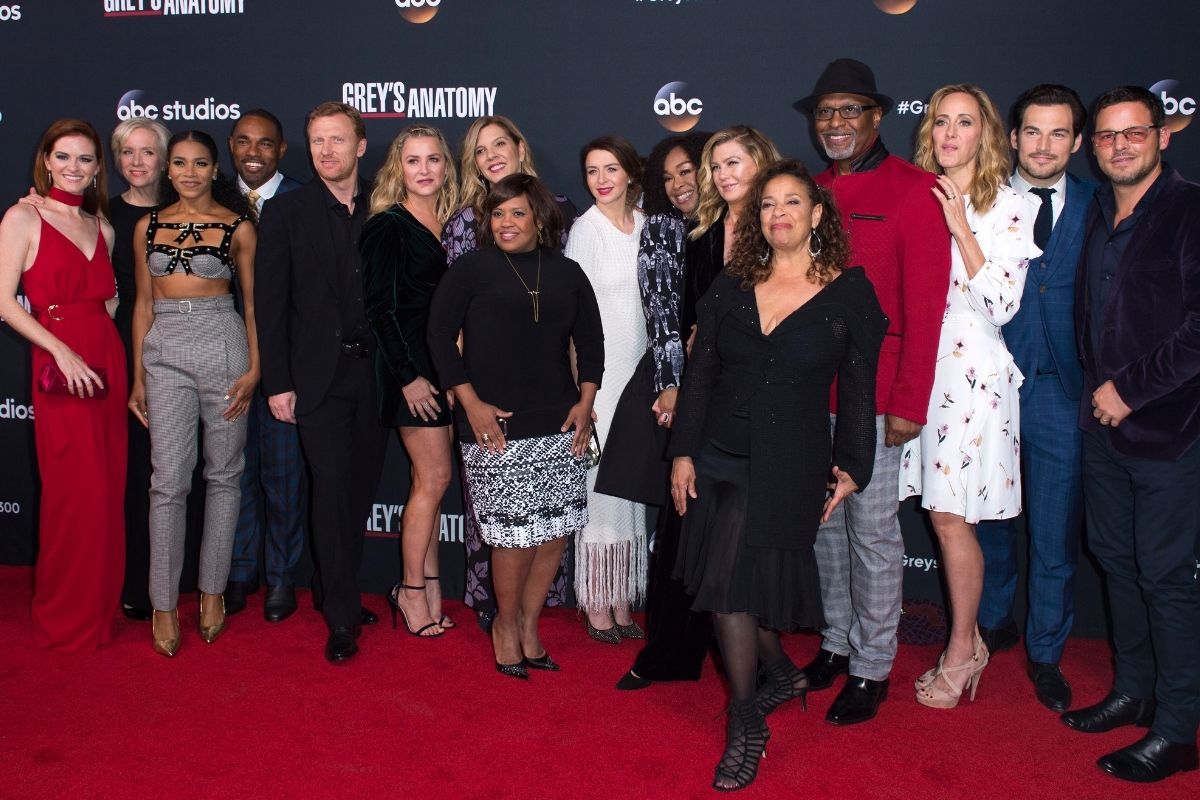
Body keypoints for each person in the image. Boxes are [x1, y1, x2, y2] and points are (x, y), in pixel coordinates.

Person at [669, 160, 886, 790]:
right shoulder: (733, 287)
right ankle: (767, 695)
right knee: (732, 581)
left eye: (792, 203)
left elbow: (859, 389)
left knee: (739, 581)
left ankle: (750, 712)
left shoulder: (851, 292)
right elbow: (701, 373)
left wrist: (852, 467)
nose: (779, 214)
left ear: (818, 215)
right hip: (717, 453)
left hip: (790, 462)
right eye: (767, 205)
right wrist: (682, 453)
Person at [795, 58, 951, 725]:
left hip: (879, 397)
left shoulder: (915, 190)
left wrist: (910, 404)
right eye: (826, 112)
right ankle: (835, 644)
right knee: (825, 530)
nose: (836, 123)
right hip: (810, 393)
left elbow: (926, 305)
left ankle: (873, 664)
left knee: (873, 533)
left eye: (849, 110)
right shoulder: (807, 189)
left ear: (878, 117)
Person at [1061, 85, 1200, 783]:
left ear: (1163, 136)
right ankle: (1133, 692)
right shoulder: (1094, 213)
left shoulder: (1190, 210)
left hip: (1170, 434)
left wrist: (1131, 390)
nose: (1120, 146)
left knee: (1166, 579)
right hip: (1101, 430)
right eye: (1108, 136)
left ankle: (1177, 731)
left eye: (1134, 134)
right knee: (1116, 564)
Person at [428, 173, 603, 679]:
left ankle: (530, 624)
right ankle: (505, 625)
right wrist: (471, 403)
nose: (506, 223)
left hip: (560, 420)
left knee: (553, 533)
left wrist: (586, 401)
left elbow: (591, 344)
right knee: (513, 537)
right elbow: (439, 337)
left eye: (517, 213)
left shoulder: (568, 273)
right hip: (493, 424)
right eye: (498, 214)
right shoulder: (472, 269)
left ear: (540, 219)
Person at [902, 84, 1038, 707]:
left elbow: (1003, 304)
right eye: (940, 122)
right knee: (939, 515)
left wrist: (960, 226)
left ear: (985, 133)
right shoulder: (912, 194)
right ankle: (968, 642)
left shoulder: (1010, 206)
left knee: (953, 519)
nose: (950, 133)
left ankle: (964, 649)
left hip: (972, 376)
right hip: (918, 371)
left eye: (965, 122)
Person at [974, 85, 1095, 712]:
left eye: (1058, 134)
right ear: (1013, 136)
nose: (1043, 145)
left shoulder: (1101, 204)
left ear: (1077, 143)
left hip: (1060, 392)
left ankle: (1046, 653)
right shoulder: (981, 200)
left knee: (1053, 532)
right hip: (990, 386)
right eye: (1032, 132)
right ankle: (994, 620)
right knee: (993, 519)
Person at [254, 102, 389, 664]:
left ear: (360, 145)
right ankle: (339, 617)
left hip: (376, 377)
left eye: (337, 140)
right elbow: (271, 303)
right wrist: (278, 382)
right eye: (316, 141)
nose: (326, 151)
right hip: (316, 379)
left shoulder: (386, 208)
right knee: (330, 490)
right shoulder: (286, 213)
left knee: (357, 492)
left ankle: (341, 590)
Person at [441, 115, 579, 629]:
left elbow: (573, 305)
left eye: (500, 143)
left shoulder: (563, 210)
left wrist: (580, 387)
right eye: (480, 150)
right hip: (488, 386)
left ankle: (534, 612)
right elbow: (452, 319)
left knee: (552, 513)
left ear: (521, 147)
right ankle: (496, 611)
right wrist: (463, 388)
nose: (492, 155)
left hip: (552, 383)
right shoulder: (463, 222)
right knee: (495, 515)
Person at [129, 130, 258, 657]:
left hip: (224, 345)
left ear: (214, 169)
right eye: (178, 163)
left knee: (224, 475)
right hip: (165, 351)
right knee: (168, 481)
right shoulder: (147, 226)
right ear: (167, 169)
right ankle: (163, 602)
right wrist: (139, 373)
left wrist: (255, 368)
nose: (187, 172)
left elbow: (252, 306)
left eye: (199, 163)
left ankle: (211, 592)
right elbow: (141, 302)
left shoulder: (239, 228)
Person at [0, 119, 126, 651]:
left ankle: (99, 608)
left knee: (107, 492)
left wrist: (101, 332)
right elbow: (4, 304)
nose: (74, 168)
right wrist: (59, 347)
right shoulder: (23, 217)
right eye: (64, 157)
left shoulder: (104, 227)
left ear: (98, 168)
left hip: (105, 360)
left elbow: (111, 299)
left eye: (85, 159)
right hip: (61, 366)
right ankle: (63, 614)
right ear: (46, 161)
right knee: (75, 493)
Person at [614, 130, 715, 689]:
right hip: (691, 392)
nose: (680, 185)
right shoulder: (661, 230)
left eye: (689, 171)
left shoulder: (736, 227)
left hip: (742, 393)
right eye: (668, 175)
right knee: (683, 520)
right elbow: (664, 321)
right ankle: (669, 653)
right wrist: (675, 386)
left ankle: (736, 652)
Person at [360, 124, 459, 637]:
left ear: (446, 166)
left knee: (437, 484)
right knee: (433, 479)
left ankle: (431, 584)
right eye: (413, 160)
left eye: (433, 160)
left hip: (446, 367)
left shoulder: (454, 221)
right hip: (411, 370)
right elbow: (381, 309)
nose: (424, 170)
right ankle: (411, 590)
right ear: (397, 167)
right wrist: (410, 378)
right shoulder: (388, 226)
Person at [225, 108, 309, 622]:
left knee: (284, 478)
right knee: (233, 474)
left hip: (285, 365)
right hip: (226, 362)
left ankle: (281, 577)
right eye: (242, 142)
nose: (252, 152)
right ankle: (238, 572)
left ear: (281, 149)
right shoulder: (209, 199)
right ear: (230, 147)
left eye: (264, 143)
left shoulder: (304, 198)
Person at [564, 135, 648, 642]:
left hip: (641, 374)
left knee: (631, 485)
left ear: (629, 172)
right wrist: (583, 392)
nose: (601, 179)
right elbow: (574, 316)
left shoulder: (646, 226)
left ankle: (622, 595)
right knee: (600, 489)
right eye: (592, 170)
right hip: (603, 377)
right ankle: (596, 599)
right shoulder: (585, 230)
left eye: (610, 168)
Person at [108, 117, 171, 623]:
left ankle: (179, 578)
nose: (137, 162)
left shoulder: (185, 210)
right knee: (136, 473)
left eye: (147, 152)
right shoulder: (103, 216)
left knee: (178, 470)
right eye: (127, 152)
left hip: (182, 345)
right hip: (123, 345)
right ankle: (135, 581)